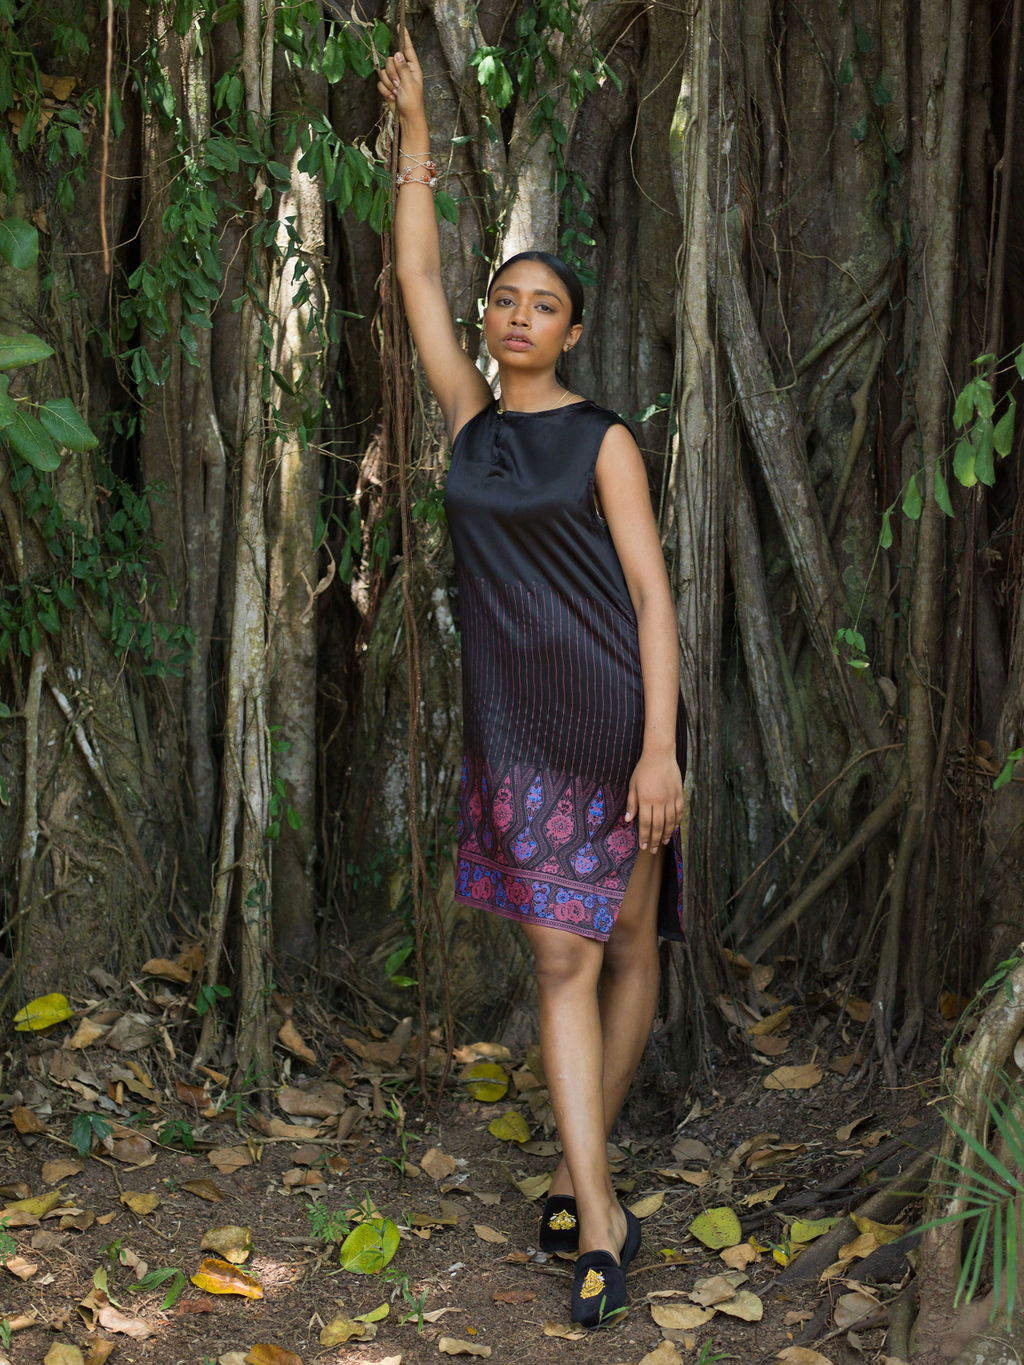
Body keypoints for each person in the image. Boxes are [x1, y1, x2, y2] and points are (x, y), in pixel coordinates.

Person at [377, 28, 687, 1329]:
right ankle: (601, 1217)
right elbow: (414, 271)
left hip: (616, 719)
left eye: (540, 302)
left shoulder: (605, 440)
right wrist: (416, 148)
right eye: (504, 298)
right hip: (516, 733)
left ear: (572, 328)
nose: (513, 313)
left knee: (625, 939)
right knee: (561, 949)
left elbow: (655, 599)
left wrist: (662, 746)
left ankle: (576, 1168)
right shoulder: (468, 420)